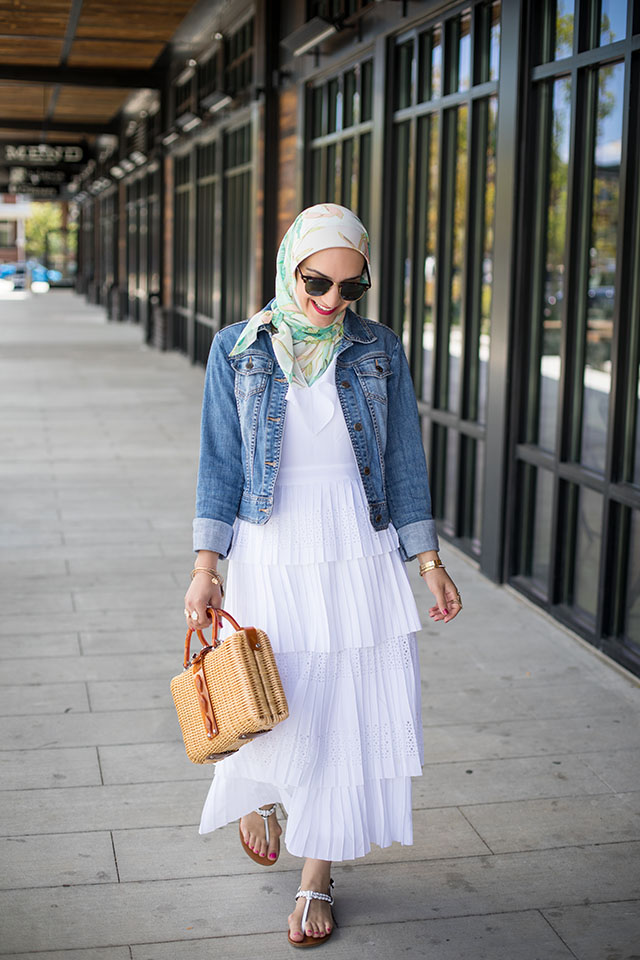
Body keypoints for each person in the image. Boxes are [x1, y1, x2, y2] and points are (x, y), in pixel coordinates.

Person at [184, 203, 462, 948]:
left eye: (351, 287)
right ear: (288, 265)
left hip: (357, 546)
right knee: (276, 696)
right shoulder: (236, 350)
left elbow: (404, 460)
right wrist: (206, 567)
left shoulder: (379, 349)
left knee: (345, 709)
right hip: (271, 547)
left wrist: (427, 562)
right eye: (317, 281)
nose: (332, 301)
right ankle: (264, 793)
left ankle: (317, 875)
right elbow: (219, 464)